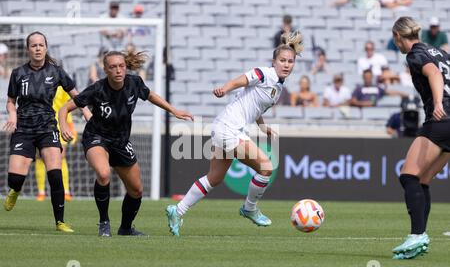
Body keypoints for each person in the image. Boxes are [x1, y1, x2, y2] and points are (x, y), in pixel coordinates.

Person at [165, 32, 304, 237]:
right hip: (229, 128)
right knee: (265, 167)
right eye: (282, 60)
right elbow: (244, 79)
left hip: (223, 127)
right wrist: (225, 88)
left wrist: (262, 126)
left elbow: (255, 107)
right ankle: (249, 208)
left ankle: (177, 211)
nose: (286, 64)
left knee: (215, 177)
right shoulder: (266, 73)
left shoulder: (277, 87)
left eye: (290, 61)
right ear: (273, 62)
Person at [58, 50, 193, 237]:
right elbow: (65, 108)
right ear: (105, 69)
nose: (118, 70)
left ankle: (126, 228)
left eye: (121, 66)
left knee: (136, 190)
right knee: (104, 174)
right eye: (113, 67)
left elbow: (150, 95)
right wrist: (63, 125)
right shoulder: (97, 88)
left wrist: (173, 110)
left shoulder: (134, 83)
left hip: (120, 141)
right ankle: (104, 222)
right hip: (97, 137)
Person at [2, 31, 82, 233]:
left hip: (47, 127)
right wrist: (12, 114)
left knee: (55, 174)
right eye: (33, 45)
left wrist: (87, 113)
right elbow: (11, 102)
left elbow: (77, 96)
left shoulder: (57, 72)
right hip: (24, 129)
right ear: (28, 49)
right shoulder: (18, 73)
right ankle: (16, 190)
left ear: (46, 48)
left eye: (41, 45)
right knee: (15, 179)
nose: (37, 48)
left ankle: (60, 222)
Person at [391, 16, 450, 259]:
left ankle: (417, 236)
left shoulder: (415, 54)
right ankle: (420, 236)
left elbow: (434, 74)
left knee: (408, 176)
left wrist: (437, 103)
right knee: (423, 179)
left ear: (397, 36)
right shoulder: (440, 51)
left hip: (441, 119)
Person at [35, 86, 78, 202]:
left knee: (61, 156)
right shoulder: (37, 82)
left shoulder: (61, 85)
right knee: (40, 157)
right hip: (40, 124)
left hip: (59, 124)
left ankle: (66, 191)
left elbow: (66, 106)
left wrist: (70, 125)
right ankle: (41, 192)